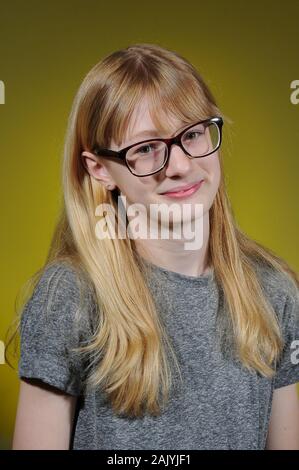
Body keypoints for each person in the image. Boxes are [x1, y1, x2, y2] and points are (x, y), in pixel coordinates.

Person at [7, 43, 299, 450]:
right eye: (146, 149)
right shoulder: (71, 296)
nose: (179, 165)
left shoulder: (274, 291)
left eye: (193, 134)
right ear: (100, 169)